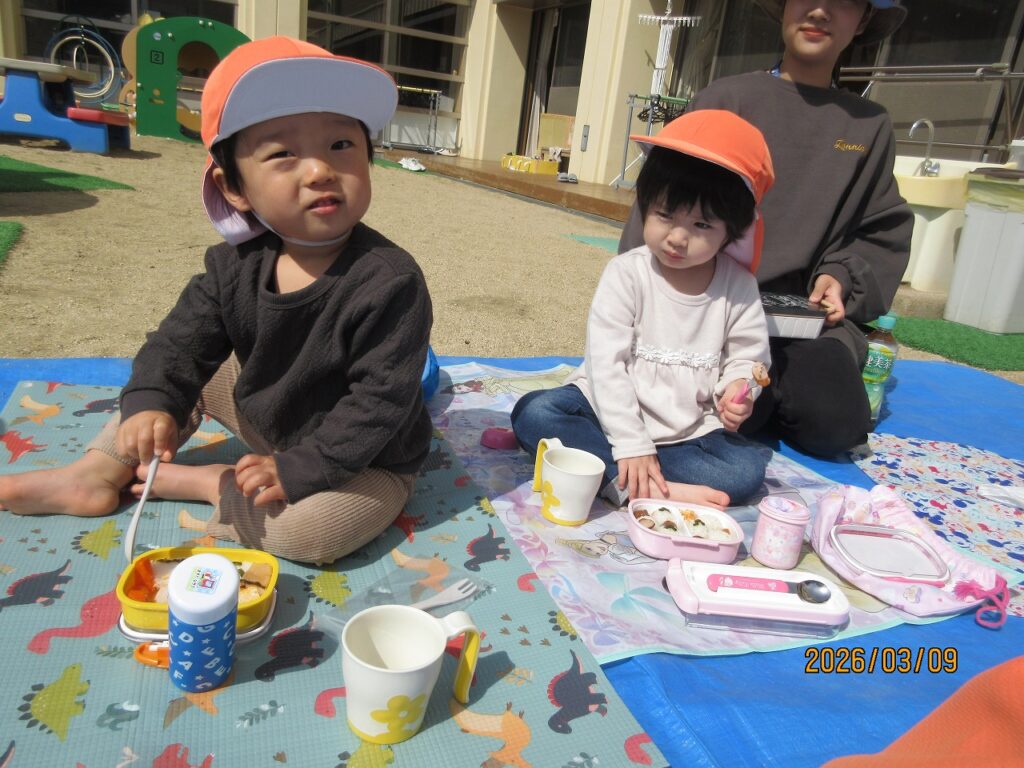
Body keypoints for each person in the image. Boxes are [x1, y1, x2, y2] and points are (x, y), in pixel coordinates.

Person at [0, 37, 433, 565]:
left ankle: (211, 483)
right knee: (179, 377)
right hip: (273, 416)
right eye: (283, 153)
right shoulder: (233, 266)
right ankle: (94, 472)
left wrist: (301, 468)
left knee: (312, 534)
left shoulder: (391, 281)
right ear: (234, 188)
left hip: (365, 457)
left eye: (341, 144)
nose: (320, 169)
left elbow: (379, 404)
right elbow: (178, 343)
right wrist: (152, 402)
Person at [619, 0, 913, 457]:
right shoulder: (725, 99)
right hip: (708, 310)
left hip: (803, 321)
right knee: (698, 417)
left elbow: (878, 228)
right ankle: (752, 395)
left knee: (836, 428)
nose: (820, 11)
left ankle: (764, 392)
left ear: (865, 19)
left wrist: (839, 275)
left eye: (843, 1)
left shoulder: (869, 125)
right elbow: (661, 204)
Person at [513, 110, 774, 510]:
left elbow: (747, 358)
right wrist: (631, 443)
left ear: (731, 230)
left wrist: (739, 392)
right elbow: (606, 364)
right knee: (535, 412)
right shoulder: (627, 273)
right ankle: (640, 482)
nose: (677, 237)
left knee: (744, 472)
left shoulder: (737, 286)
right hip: (606, 411)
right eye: (665, 215)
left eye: (702, 225)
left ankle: (623, 474)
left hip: (685, 430)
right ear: (646, 206)